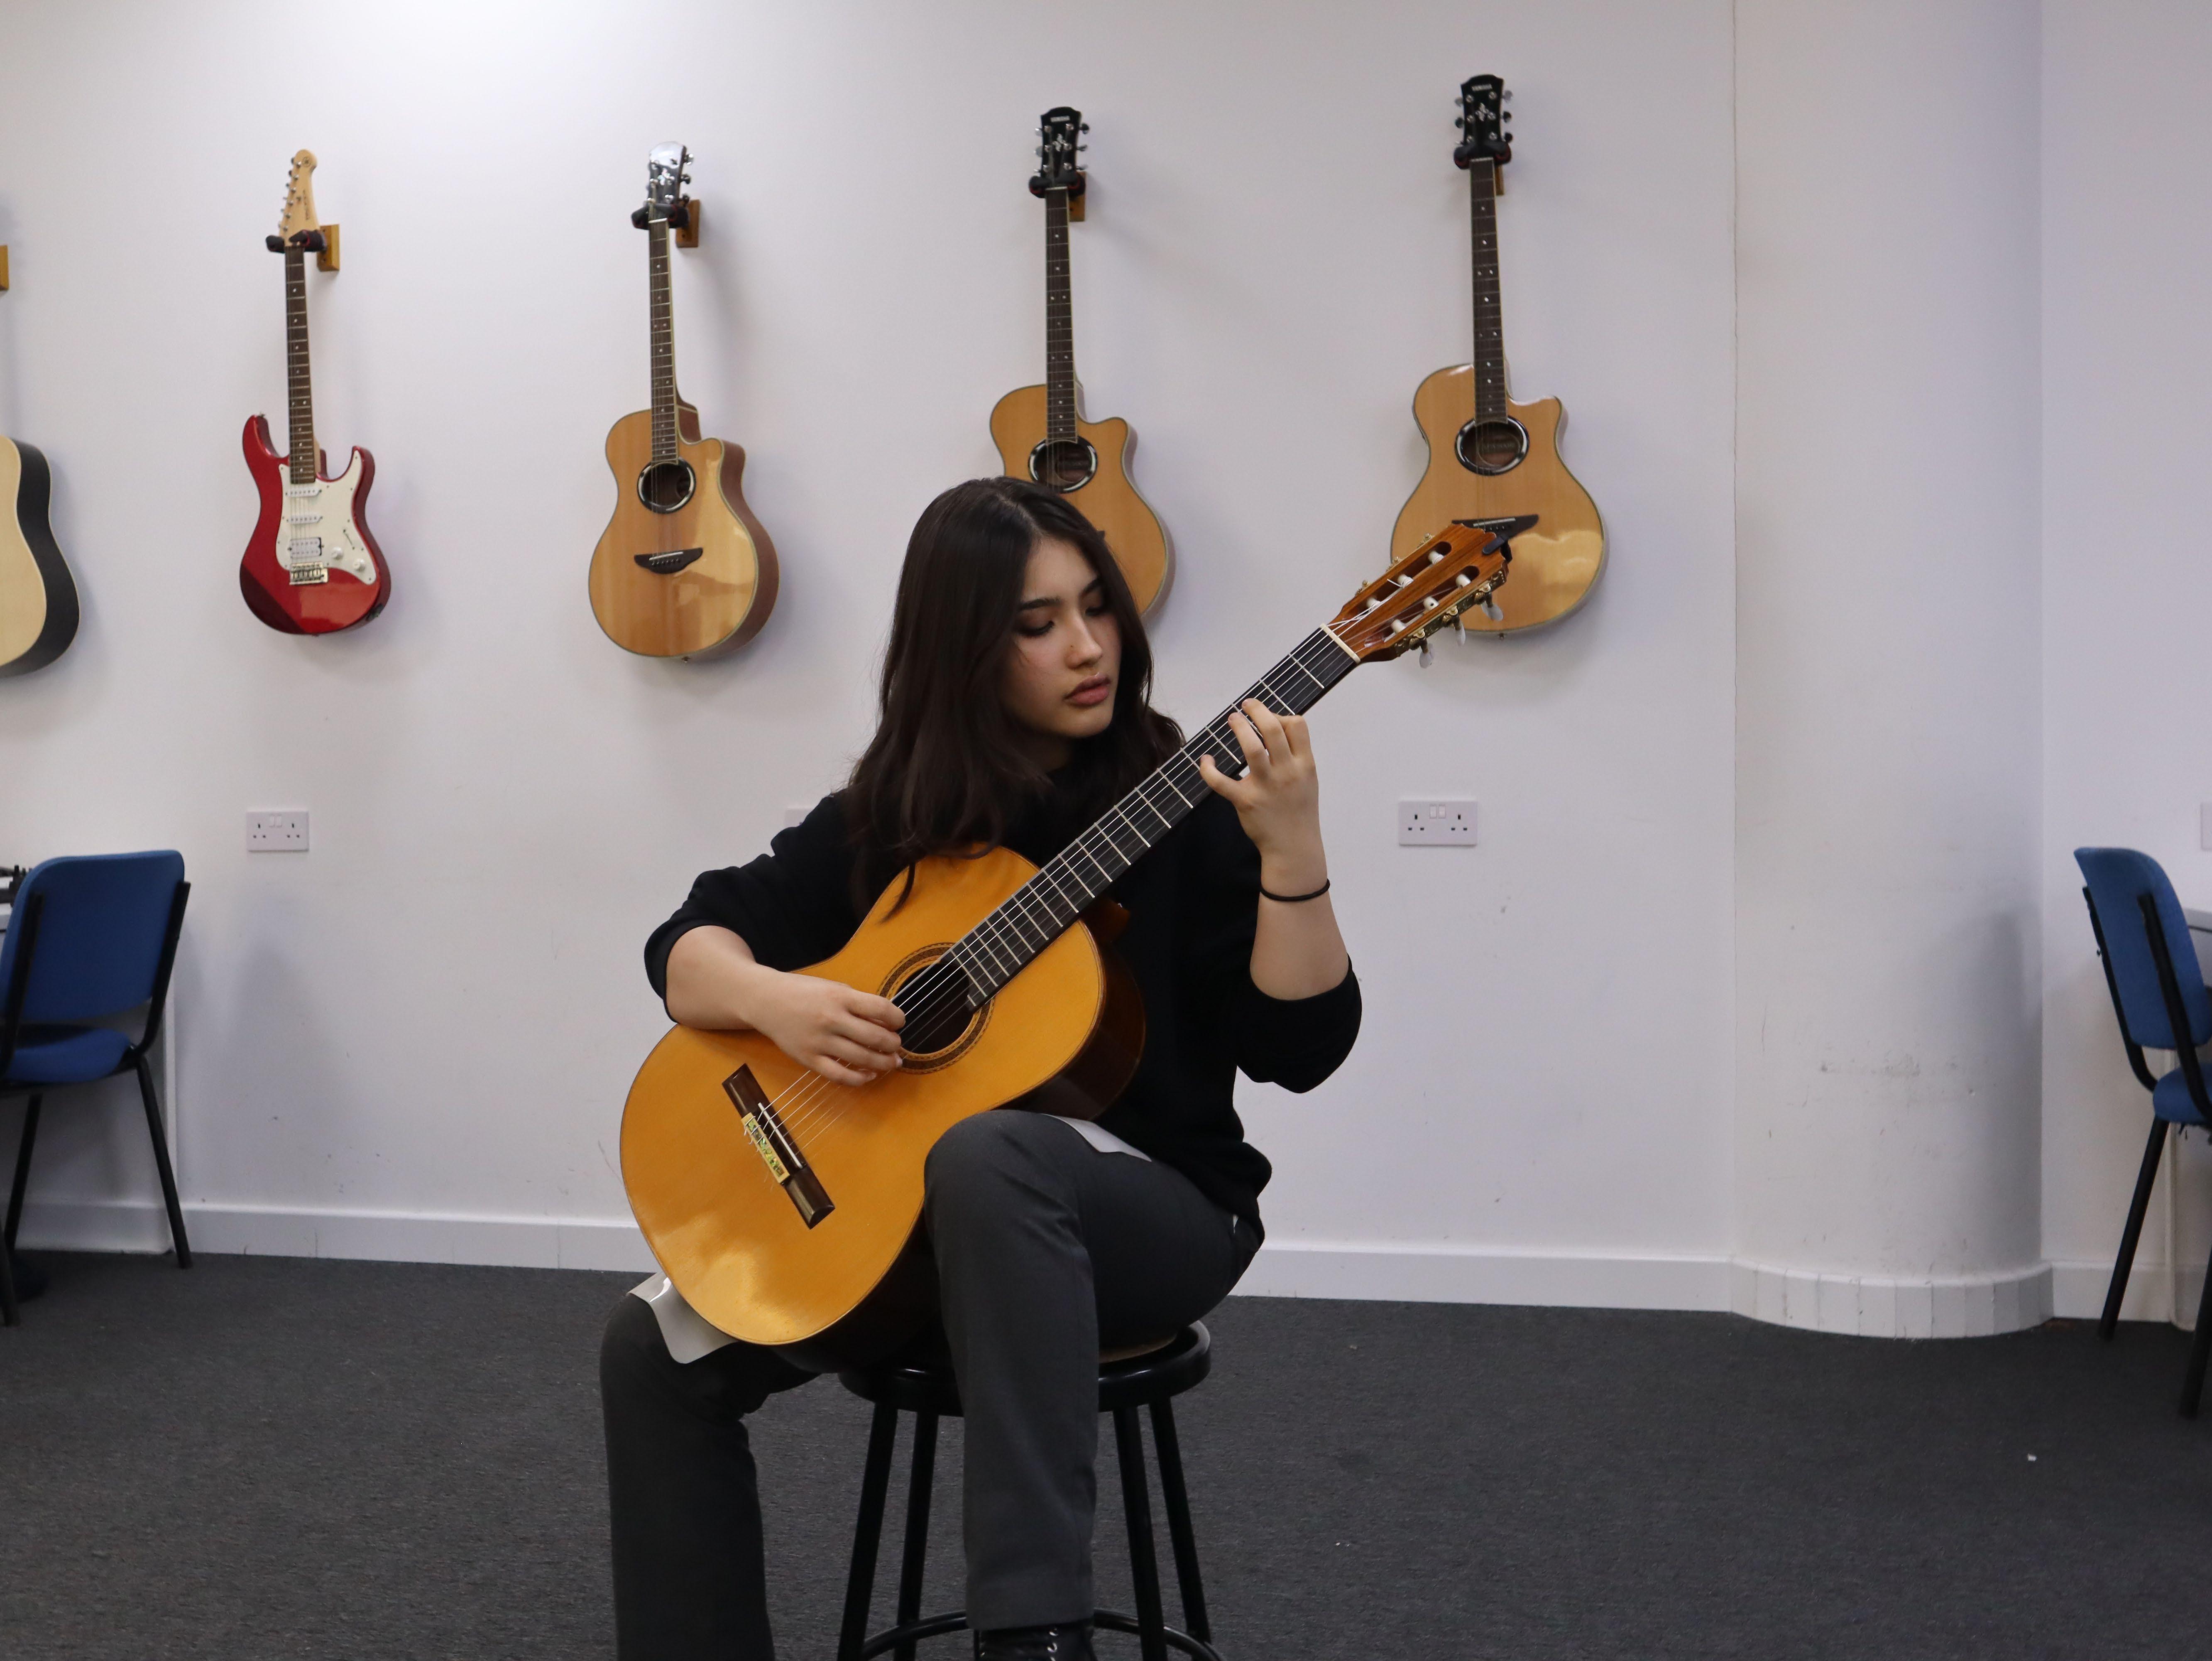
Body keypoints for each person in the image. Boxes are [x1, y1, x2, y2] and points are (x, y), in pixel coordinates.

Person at [600, 476, 1361, 1661]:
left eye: (1098, 607)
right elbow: (687, 945)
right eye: (1037, 624)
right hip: (926, 1242)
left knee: (992, 1151)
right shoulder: (900, 818)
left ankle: (1034, 1637)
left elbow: (1300, 1053)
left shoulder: (1191, 805)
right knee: (653, 1347)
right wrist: (778, 1002)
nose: (1089, 647)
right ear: (961, 649)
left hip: (1157, 1216)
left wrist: (1294, 853)